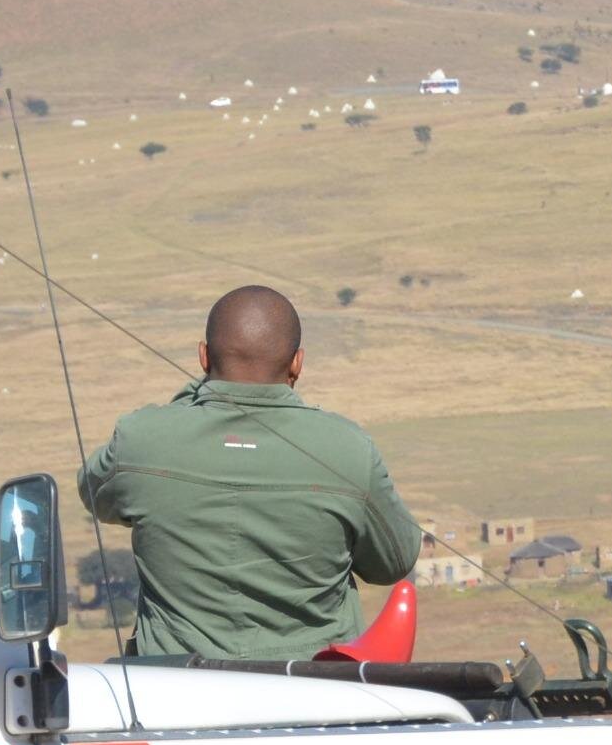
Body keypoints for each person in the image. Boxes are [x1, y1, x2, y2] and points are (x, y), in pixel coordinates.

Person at [82, 283, 420, 661]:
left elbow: (93, 494)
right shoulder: (348, 448)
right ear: (297, 363)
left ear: (203, 357)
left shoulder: (142, 440)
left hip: (175, 686)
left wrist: (197, 398)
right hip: (314, 686)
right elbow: (394, 562)